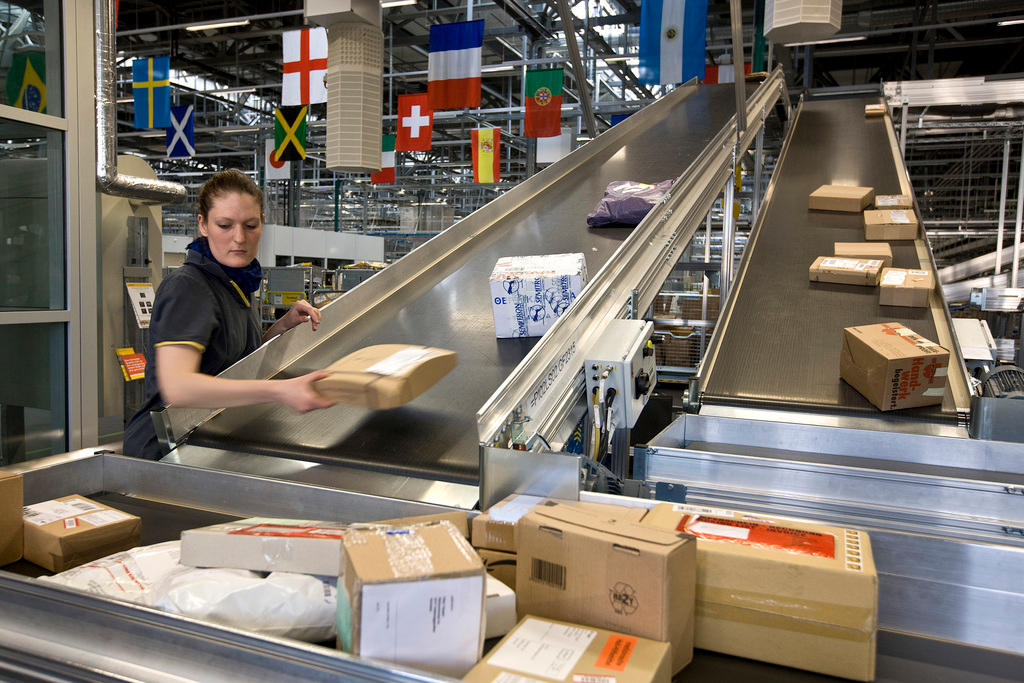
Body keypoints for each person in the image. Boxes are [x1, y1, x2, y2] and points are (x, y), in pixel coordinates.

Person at [123, 169, 334, 460]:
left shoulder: (237, 284)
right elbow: (178, 387)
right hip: (166, 450)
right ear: (203, 224)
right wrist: (280, 391)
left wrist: (283, 325)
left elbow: (235, 360)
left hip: (210, 438)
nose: (239, 238)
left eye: (250, 225)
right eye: (224, 225)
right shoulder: (189, 287)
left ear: (262, 223)